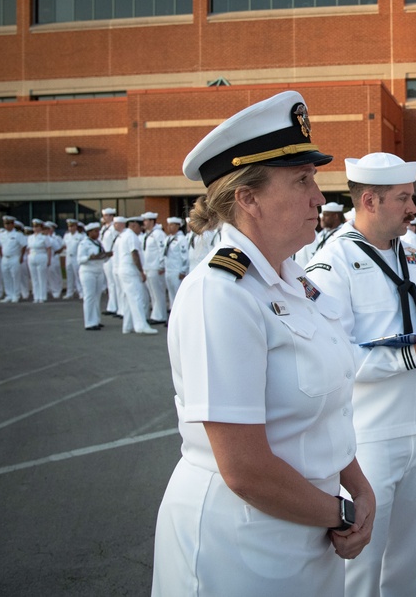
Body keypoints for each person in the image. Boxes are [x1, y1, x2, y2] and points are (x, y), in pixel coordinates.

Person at [153, 90, 375, 596]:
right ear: (247, 198)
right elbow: (245, 469)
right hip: (241, 544)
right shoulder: (220, 293)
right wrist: (343, 513)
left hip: (310, 528)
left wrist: (358, 487)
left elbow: (323, 413)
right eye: (302, 180)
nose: (319, 196)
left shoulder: (296, 283)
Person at [308, 151, 416, 597]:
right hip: (367, 436)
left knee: (407, 556)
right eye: (404, 198)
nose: (413, 208)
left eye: (413, 198)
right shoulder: (332, 264)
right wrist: (412, 357)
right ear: (370, 201)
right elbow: (332, 358)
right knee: (361, 563)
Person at [114, 217, 157, 335]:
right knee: (137, 298)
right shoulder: (131, 236)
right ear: (133, 225)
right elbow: (134, 254)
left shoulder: (124, 235)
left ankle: (127, 326)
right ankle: (141, 325)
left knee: (130, 299)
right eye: (140, 226)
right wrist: (141, 271)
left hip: (125, 270)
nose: (141, 229)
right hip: (131, 271)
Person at [77, 222, 108, 330]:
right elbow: (79, 259)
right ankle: (89, 322)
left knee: (97, 296)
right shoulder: (84, 243)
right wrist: (89, 257)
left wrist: (107, 255)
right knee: (89, 296)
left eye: (98, 231)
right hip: (88, 271)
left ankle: (96, 320)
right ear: (89, 232)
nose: (97, 233)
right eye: (95, 231)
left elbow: (103, 257)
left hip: (98, 270)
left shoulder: (99, 243)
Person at [294, 201, 344, 267]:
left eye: (325, 215)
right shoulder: (322, 234)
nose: (322, 218)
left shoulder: (343, 233)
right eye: (322, 215)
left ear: (335, 216)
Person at [141, 212, 168, 324]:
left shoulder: (158, 234)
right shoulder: (147, 234)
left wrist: (161, 265)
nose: (144, 223)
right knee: (152, 293)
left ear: (152, 221)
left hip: (155, 267)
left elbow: (162, 250)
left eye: (146, 221)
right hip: (148, 267)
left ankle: (160, 316)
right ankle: (155, 314)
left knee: (158, 293)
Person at [0, 216, 26, 303]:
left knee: (15, 277)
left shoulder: (18, 234)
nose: (7, 226)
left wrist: (21, 256)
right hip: (5, 258)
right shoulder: (2, 234)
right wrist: (1, 255)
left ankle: (16, 295)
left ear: (13, 224)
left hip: (14, 257)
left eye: (9, 223)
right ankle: (8, 295)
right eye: (6, 224)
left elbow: (24, 245)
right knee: (6, 277)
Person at [163, 217, 188, 311]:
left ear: (178, 226)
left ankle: (179, 313)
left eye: (172, 225)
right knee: (171, 295)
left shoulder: (182, 239)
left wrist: (183, 270)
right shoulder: (168, 238)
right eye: (168, 225)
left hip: (177, 271)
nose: (169, 227)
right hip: (168, 270)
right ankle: (172, 313)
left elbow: (185, 256)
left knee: (178, 295)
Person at [26, 219, 52, 303]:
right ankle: (36, 296)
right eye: (34, 226)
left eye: (37, 226)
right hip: (32, 257)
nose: (35, 228)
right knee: (34, 278)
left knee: (42, 277)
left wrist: (48, 260)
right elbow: (29, 249)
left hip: (41, 256)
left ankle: (42, 296)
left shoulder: (44, 237)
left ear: (41, 227)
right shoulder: (30, 237)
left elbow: (48, 249)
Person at [99, 207, 119, 316]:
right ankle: (112, 305)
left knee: (113, 283)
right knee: (109, 283)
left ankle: (115, 306)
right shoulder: (104, 228)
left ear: (112, 216)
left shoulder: (113, 229)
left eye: (107, 215)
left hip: (112, 257)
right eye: (104, 215)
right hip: (105, 257)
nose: (105, 217)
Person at [63, 218, 84, 299]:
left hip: (76, 256)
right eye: (69, 227)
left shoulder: (80, 236)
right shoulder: (66, 236)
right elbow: (64, 245)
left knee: (78, 275)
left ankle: (81, 292)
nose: (70, 228)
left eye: (72, 226)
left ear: (76, 227)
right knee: (69, 276)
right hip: (68, 257)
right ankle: (69, 292)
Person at [43, 221, 64, 299]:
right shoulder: (43, 237)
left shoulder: (55, 238)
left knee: (54, 275)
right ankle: (48, 289)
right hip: (44, 258)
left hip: (53, 257)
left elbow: (58, 248)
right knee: (46, 275)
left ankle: (56, 290)